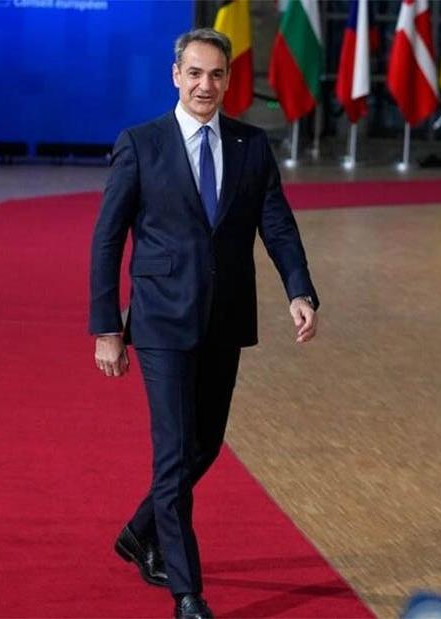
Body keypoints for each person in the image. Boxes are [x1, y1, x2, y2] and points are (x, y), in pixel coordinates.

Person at [88, 28, 319, 619]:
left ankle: (140, 531)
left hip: (225, 318)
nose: (204, 85)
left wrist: (299, 289)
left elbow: (277, 223)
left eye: (216, 74)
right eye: (194, 73)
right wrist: (107, 328)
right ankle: (187, 591)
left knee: (205, 445)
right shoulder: (140, 144)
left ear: (228, 79)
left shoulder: (250, 144)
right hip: (161, 320)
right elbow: (108, 239)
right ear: (175, 75)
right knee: (173, 452)